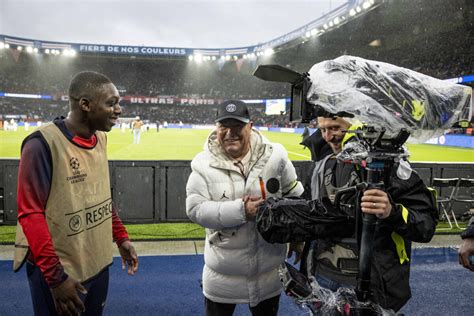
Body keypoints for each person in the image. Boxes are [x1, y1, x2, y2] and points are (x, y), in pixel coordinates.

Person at [13, 71, 139, 316]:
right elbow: (31, 215)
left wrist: (120, 236)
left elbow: (99, 195)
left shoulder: (100, 138)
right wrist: (56, 278)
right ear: (85, 104)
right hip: (60, 272)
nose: (119, 110)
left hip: (96, 263)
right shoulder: (40, 144)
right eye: (111, 103)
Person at [300, 116, 438, 312]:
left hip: (373, 284)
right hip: (322, 279)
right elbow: (310, 213)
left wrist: (392, 212)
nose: (328, 137)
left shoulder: (391, 167)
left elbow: (426, 226)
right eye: (322, 130)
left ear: (356, 125)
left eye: (335, 128)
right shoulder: (320, 167)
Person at [186, 100, 304, 316]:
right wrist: (242, 211)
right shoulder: (202, 163)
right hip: (221, 277)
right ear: (216, 128)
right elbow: (196, 209)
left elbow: (294, 194)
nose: (230, 133)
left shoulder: (275, 155)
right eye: (224, 126)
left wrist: (297, 236)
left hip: (268, 274)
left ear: (250, 126)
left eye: (237, 126)